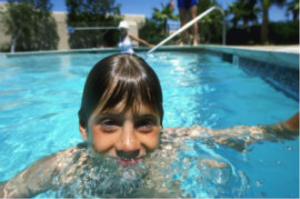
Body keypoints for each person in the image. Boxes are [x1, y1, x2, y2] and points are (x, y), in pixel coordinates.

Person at [0, 54, 299, 199]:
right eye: (109, 123)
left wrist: (286, 129)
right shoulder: (61, 167)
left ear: (161, 124)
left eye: (145, 124)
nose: (129, 144)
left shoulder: (173, 142)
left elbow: (241, 136)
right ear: (83, 127)